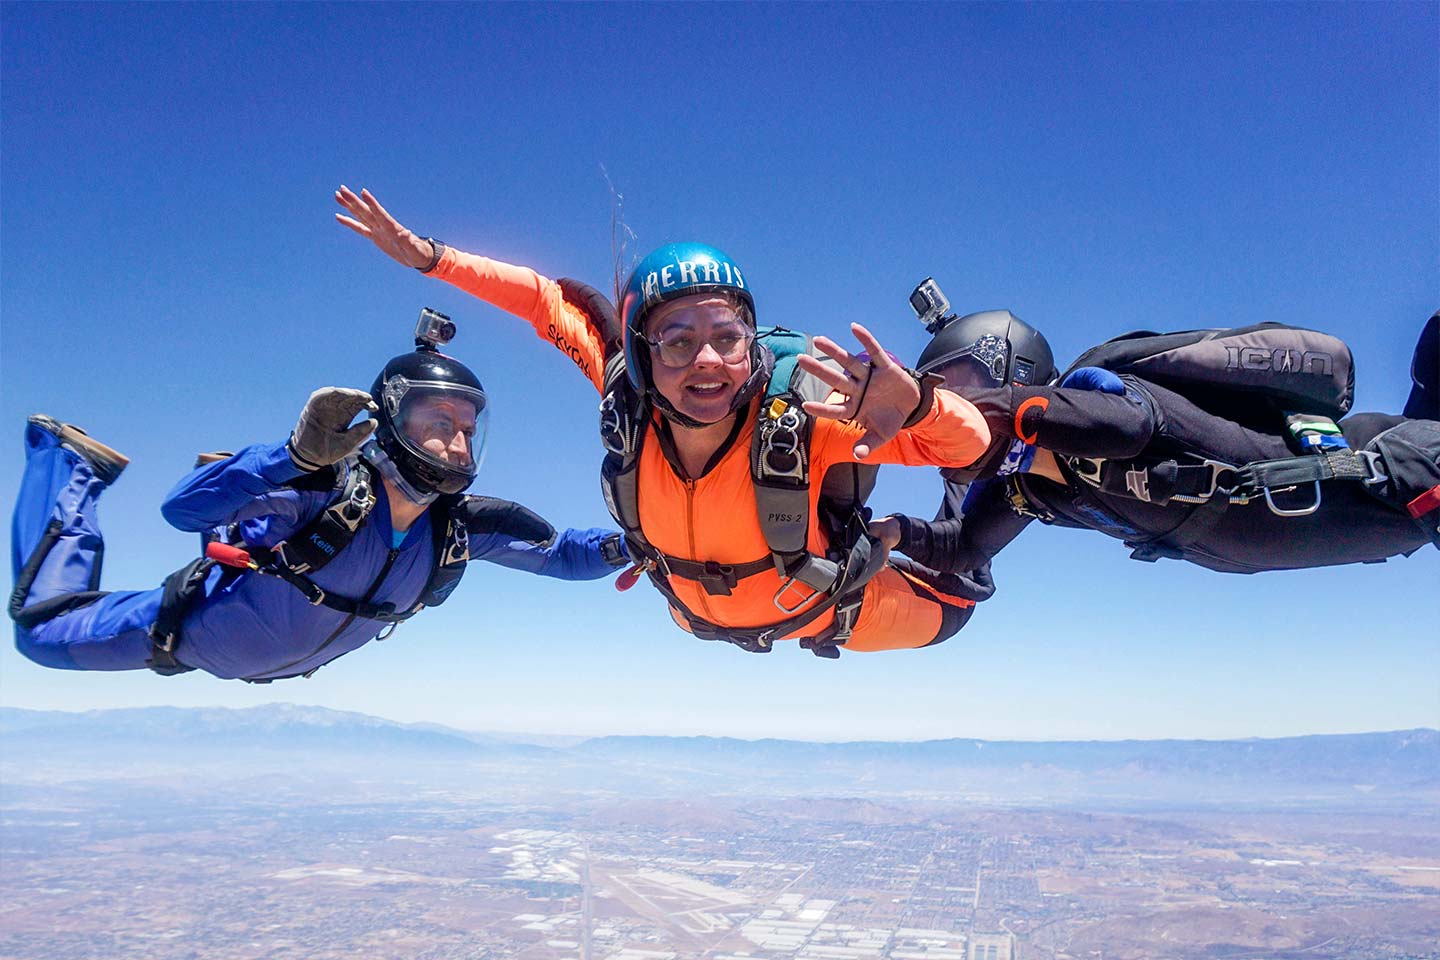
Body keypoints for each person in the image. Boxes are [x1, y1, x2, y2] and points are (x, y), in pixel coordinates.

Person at [334, 186, 993, 656]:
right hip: (699, 615)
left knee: (960, 604)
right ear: (644, 355)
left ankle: (995, 484)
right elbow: (544, 302)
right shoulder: (629, 394)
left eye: (727, 337)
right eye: (678, 341)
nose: (706, 359)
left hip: (835, 614)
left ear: (752, 342)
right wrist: (431, 258)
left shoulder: (815, 409)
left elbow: (970, 447)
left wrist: (920, 405)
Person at [10, 332, 628, 681]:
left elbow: (564, 557)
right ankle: (68, 464)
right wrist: (290, 457)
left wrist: (638, 543)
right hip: (178, 635)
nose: (458, 441)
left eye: (469, 427)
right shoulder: (324, 492)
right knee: (39, 634)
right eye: (440, 420)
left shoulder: (456, 530)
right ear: (392, 420)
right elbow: (181, 513)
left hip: (236, 657)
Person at [875, 306, 1440, 576]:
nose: (949, 409)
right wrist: (895, 532)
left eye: (964, 386)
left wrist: (940, 410)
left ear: (1016, 377)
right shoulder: (1029, 490)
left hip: (1402, 469)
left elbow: (1128, 428)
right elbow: (966, 548)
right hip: (1383, 519)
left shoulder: (1097, 392)